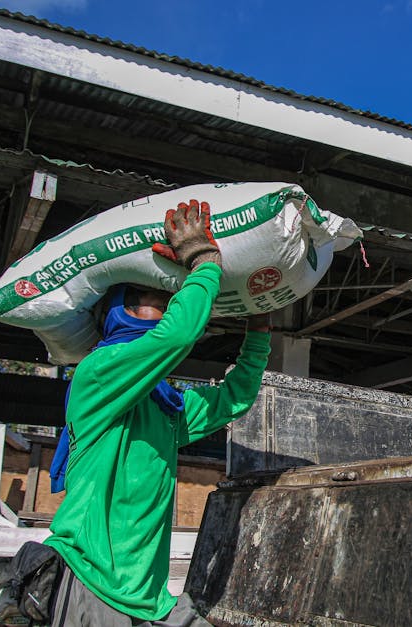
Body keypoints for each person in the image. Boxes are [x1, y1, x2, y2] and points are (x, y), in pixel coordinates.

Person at [42, 198, 271, 626]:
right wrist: (205, 261)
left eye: (167, 302)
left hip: (149, 595)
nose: (164, 310)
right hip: (93, 581)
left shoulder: (161, 405)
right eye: (151, 299)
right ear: (118, 312)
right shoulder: (99, 372)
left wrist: (257, 332)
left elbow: (233, 399)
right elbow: (175, 337)